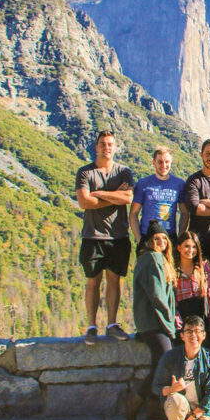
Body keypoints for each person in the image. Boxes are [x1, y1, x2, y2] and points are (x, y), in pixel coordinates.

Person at [75, 130, 133, 345]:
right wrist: (114, 197)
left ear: (115, 147)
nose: (106, 147)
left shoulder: (124, 172)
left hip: (118, 236)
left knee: (114, 281)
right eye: (102, 144)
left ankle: (112, 324)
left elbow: (128, 197)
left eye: (110, 144)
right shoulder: (85, 172)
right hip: (92, 235)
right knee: (93, 281)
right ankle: (91, 326)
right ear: (96, 147)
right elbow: (84, 202)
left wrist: (99, 194)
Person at [125, 220, 177, 420]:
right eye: (157, 238)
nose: (161, 242)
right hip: (155, 321)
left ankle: (154, 409)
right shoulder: (153, 258)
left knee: (161, 363)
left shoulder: (150, 259)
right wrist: (169, 324)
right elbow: (157, 296)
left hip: (149, 321)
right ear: (148, 241)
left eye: (164, 238)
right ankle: (134, 401)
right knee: (164, 363)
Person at [152, 316, 210, 420]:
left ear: (203, 335)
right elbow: (155, 387)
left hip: (200, 407)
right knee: (176, 400)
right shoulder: (169, 357)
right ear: (182, 336)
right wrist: (172, 389)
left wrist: (194, 417)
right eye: (189, 331)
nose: (193, 335)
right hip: (179, 404)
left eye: (197, 331)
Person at [130, 146, 187, 252]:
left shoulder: (179, 184)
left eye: (167, 162)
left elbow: (184, 212)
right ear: (153, 162)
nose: (163, 165)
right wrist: (139, 240)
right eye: (160, 162)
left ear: (171, 162)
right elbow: (133, 213)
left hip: (169, 238)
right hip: (147, 237)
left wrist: (180, 237)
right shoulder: (143, 183)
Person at [174, 231, 210, 336]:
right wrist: (179, 326)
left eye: (194, 247)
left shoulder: (204, 268)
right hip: (182, 324)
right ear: (178, 248)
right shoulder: (173, 271)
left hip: (203, 323)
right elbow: (171, 302)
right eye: (187, 246)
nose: (191, 250)